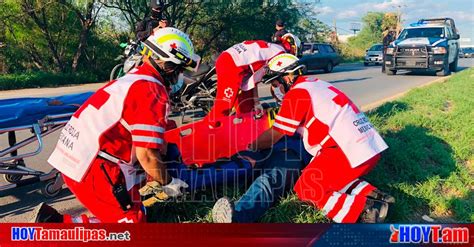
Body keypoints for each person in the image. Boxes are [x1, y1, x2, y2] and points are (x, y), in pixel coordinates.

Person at [32, 28, 201, 223]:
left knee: (138, 210)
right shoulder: (152, 91)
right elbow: (146, 156)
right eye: (180, 70)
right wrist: (168, 182)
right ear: (169, 66)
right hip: (94, 167)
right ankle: (55, 227)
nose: (180, 77)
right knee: (132, 226)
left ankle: (53, 221)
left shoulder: (135, 77)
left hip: (80, 155)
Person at [213, 54, 393, 223]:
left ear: (287, 77)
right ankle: (373, 194)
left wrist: (251, 146)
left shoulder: (297, 94)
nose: (275, 88)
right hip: (368, 146)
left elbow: (275, 134)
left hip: (343, 150)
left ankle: (366, 211)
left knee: (307, 187)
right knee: (327, 177)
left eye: (276, 82)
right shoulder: (315, 84)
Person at [205, 33, 301, 125]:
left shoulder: (272, 47)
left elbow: (255, 78)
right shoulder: (280, 53)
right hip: (232, 65)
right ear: (293, 49)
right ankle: (207, 130)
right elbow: (276, 82)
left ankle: (244, 131)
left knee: (247, 106)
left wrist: (256, 102)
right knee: (224, 107)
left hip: (233, 62)